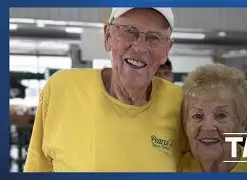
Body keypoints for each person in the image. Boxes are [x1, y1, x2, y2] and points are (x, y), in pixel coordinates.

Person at [24, 8, 188, 172]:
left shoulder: (182, 105)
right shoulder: (62, 88)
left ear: (166, 49)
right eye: (129, 31)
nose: (140, 47)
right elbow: (37, 167)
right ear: (108, 36)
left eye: (154, 37)